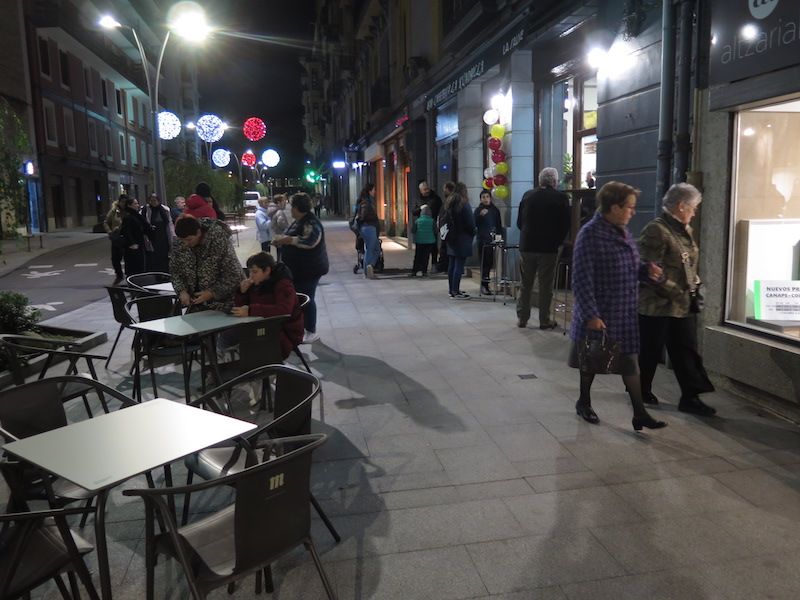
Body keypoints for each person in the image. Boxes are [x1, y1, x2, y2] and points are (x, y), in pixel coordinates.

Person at [569, 181, 666, 432]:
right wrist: (591, 315)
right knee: (592, 360)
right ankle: (584, 401)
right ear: (614, 207)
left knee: (630, 363)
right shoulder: (590, 234)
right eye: (629, 207)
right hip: (601, 312)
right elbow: (581, 278)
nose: (633, 212)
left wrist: (647, 271)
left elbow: (631, 266)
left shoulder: (621, 231)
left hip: (623, 312)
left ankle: (639, 413)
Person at [638, 183, 716, 416]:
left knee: (686, 350)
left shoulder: (684, 229)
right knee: (650, 352)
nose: (694, 212)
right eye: (692, 207)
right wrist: (675, 289)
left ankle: (690, 397)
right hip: (657, 305)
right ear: (681, 206)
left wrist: (695, 285)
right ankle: (640, 389)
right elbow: (649, 270)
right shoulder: (656, 230)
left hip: (681, 305)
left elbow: (688, 264)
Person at [516, 167, 571, 329]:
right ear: (554, 181)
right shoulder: (561, 198)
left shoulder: (528, 195)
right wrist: (557, 241)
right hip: (548, 248)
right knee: (545, 285)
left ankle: (522, 319)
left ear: (540, 181)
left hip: (527, 246)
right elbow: (565, 225)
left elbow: (520, 222)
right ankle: (544, 319)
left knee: (525, 283)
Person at [272, 193, 329, 344]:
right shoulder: (298, 221)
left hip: (310, 269)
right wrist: (281, 241)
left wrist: (289, 240)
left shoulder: (310, 222)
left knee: (307, 298)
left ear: (297, 208)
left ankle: (311, 331)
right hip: (298, 268)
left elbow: (311, 241)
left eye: (292, 206)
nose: (290, 209)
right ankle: (301, 328)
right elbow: (290, 236)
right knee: (300, 298)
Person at [233, 252, 304, 359]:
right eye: (250, 272)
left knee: (241, 343)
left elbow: (284, 310)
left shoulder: (283, 284)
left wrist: (251, 310)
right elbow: (243, 308)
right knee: (229, 336)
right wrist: (242, 293)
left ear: (267, 270)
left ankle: (258, 369)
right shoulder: (257, 283)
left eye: (255, 272)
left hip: (284, 332)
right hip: (264, 325)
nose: (251, 276)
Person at [170, 215, 243, 312]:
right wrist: (182, 291)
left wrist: (212, 293)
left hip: (224, 305)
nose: (185, 244)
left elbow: (234, 274)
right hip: (196, 306)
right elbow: (175, 271)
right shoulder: (180, 243)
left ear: (199, 233)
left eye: (189, 239)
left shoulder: (218, 240)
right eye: (182, 240)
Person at [444, 182, 476, 299]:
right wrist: (473, 232)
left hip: (451, 238)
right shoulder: (463, 204)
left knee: (452, 264)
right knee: (459, 265)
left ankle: (451, 290)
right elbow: (470, 223)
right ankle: (456, 291)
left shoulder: (449, 203)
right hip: (462, 238)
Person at [474, 189, 503, 295]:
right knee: (483, 263)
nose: (485, 199)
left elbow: (498, 225)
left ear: (490, 198)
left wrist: (499, 237)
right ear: (480, 199)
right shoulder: (478, 210)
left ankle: (487, 284)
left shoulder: (495, 210)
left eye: (487, 197)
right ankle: (484, 285)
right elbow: (474, 223)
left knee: (489, 263)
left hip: (492, 240)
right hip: (482, 240)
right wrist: (480, 216)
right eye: (483, 197)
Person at [141, 194, 174, 273]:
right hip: (151, 237)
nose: (153, 202)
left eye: (155, 200)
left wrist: (171, 239)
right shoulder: (146, 209)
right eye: (151, 200)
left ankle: (164, 274)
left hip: (162, 237)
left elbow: (168, 224)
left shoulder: (164, 210)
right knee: (152, 257)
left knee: (163, 256)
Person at [415, 180, 443, 269]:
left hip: (432, 224)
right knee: (420, 248)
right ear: (421, 190)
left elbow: (440, 210)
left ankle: (434, 264)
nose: (426, 191)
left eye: (427, 189)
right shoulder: (418, 199)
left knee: (433, 246)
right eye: (424, 189)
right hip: (421, 226)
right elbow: (414, 211)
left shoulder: (435, 198)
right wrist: (420, 208)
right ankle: (420, 266)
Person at [118, 196, 149, 277]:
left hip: (138, 242)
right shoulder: (128, 216)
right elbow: (126, 231)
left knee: (138, 265)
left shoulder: (135, 215)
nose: (137, 205)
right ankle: (134, 281)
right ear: (129, 205)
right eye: (135, 203)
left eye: (137, 203)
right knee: (134, 265)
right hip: (133, 245)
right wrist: (132, 243)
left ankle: (137, 279)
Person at [356, 191, 380, 279]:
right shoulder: (366, 203)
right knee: (370, 249)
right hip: (369, 227)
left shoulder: (365, 203)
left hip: (369, 228)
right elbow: (364, 216)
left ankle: (369, 267)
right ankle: (367, 270)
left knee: (376, 249)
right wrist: (373, 218)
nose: (375, 192)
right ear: (369, 191)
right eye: (373, 190)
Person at [409, 205, 436, 277]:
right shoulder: (432, 221)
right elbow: (435, 231)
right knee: (426, 257)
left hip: (419, 241)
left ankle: (414, 271)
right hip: (429, 241)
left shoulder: (417, 221)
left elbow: (413, 230)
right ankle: (424, 271)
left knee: (417, 256)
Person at [103, 197, 124, 284]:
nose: (123, 204)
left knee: (129, 258)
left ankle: (132, 277)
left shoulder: (129, 210)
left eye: (125, 202)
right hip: (116, 238)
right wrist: (110, 232)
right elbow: (106, 222)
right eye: (122, 202)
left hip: (128, 237)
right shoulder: (114, 211)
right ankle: (119, 275)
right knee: (115, 259)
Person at [436, 181, 456, 274]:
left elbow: (446, 215)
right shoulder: (449, 200)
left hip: (447, 228)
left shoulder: (450, 200)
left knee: (445, 248)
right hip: (445, 227)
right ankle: (443, 266)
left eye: (444, 189)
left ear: (448, 189)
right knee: (444, 248)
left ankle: (444, 266)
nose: (443, 191)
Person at [267, 194, 290, 260]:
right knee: (281, 256)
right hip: (281, 235)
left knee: (279, 254)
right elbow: (281, 223)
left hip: (276, 235)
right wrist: (287, 229)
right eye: (283, 201)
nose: (285, 203)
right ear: (278, 202)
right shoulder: (279, 211)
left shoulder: (272, 210)